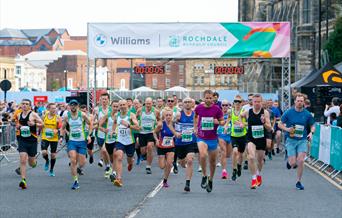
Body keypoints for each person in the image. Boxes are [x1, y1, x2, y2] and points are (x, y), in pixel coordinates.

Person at [278, 93, 315, 190]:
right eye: (298, 101)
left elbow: (312, 125)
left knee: (301, 160)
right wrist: (287, 129)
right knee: (293, 163)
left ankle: (298, 181)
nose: (299, 103)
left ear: (304, 102)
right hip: (290, 140)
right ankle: (289, 162)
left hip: (302, 140)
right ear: (295, 102)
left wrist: (311, 133)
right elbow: (280, 124)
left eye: (301, 101)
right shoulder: (288, 112)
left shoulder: (307, 114)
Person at [194, 90, 224, 193]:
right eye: (206, 98)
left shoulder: (217, 109)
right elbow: (195, 116)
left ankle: (210, 179)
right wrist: (195, 128)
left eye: (210, 98)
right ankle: (204, 175)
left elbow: (222, 122)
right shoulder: (199, 108)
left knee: (212, 162)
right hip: (201, 137)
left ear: (213, 98)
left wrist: (218, 122)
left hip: (212, 138)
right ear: (203, 98)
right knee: (202, 155)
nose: (209, 100)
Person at [240, 94, 272, 189]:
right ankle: (254, 178)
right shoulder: (248, 112)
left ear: (261, 102)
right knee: (251, 157)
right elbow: (240, 116)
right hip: (251, 138)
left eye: (259, 102)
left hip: (261, 138)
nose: (257, 103)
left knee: (260, 160)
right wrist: (242, 123)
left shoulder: (265, 113)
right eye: (255, 102)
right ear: (252, 102)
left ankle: (258, 174)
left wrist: (264, 123)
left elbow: (269, 128)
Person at [61, 99, 91, 190]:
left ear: (77, 106)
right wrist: (61, 137)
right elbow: (63, 127)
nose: (73, 107)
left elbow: (90, 124)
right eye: (71, 105)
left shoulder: (82, 115)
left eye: (75, 105)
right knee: (73, 160)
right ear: (69, 106)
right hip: (72, 141)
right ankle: (75, 181)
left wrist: (88, 135)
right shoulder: (67, 116)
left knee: (82, 163)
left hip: (82, 141)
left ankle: (79, 168)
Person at [111, 100, 139, 187]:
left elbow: (138, 127)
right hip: (120, 140)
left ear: (127, 105)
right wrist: (112, 131)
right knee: (118, 156)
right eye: (121, 105)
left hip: (130, 141)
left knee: (129, 159)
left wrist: (128, 125)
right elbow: (115, 123)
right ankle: (119, 179)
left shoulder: (131, 115)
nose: (122, 106)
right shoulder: (117, 115)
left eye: (124, 104)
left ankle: (130, 163)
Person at [17, 99, 43, 189]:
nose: (24, 105)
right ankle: (23, 180)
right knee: (23, 160)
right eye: (23, 103)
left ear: (30, 106)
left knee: (31, 162)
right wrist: (17, 126)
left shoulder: (33, 114)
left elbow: (42, 124)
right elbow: (15, 123)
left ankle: (34, 162)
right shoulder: (18, 114)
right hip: (22, 140)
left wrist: (34, 124)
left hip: (32, 140)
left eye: (26, 104)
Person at [174, 97, 198, 192]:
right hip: (180, 143)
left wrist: (197, 130)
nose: (187, 104)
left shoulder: (195, 115)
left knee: (190, 160)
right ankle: (180, 162)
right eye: (185, 102)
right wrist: (176, 133)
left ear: (192, 104)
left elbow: (198, 125)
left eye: (189, 102)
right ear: (182, 104)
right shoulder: (179, 114)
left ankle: (187, 183)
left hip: (191, 141)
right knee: (182, 163)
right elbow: (171, 124)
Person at [136, 97, 162, 174]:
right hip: (142, 133)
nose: (148, 105)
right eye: (147, 103)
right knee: (143, 151)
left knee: (150, 146)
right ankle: (145, 155)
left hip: (151, 132)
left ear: (152, 103)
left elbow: (159, 119)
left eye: (149, 103)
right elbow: (134, 118)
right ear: (145, 103)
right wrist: (137, 124)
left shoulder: (156, 111)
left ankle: (148, 166)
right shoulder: (140, 110)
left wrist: (159, 124)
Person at [155, 108, 178, 188]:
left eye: (170, 115)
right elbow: (154, 132)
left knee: (169, 163)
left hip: (171, 147)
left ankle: (165, 180)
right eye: (166, 115)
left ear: (172, 116)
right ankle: (164, 159)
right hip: (161, 147)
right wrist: (156, 140)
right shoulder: (161, 124)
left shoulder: (175, 125)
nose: (168, 117)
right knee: (162, 166)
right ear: (164, 116)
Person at [99, 100, 119, 180]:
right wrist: (104, 130)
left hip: (118, 139)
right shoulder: (107, 115)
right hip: (108, 139)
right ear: (111, 107)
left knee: (115, 155)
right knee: (106, 153)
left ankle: (114, 173)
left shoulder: (121, 116)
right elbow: (99, 126)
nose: (115, 108)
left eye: (117, 106)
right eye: (114, 106)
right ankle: (109, 166)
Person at [93, 93, 112, 178]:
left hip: (109, 133)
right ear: (100, 100)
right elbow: (94, 121)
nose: (104, 101)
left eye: (105, 99)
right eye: (102, 99)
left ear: (108, 100)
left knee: (104, 150)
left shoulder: (112, 110)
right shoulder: (97, 110)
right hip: (100, 134)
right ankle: (108, 165)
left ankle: (109, 167)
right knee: (104, 152)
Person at [41, 103, 62, 177]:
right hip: (45, 137)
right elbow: (40, 124)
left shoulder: (57, 118)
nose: (54, 109)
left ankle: (51, 169)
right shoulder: (44, 116)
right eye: (52, 108)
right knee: (44, 152)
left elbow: (60, 127)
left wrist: (57, 130)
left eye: (55, 108)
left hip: (54, 138)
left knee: (53, 155)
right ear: (49, 109)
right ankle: (47, 160)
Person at [230, 95, 247, 181]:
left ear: (241, 103)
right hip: (234, 136)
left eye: (239, 102)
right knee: (235, 152)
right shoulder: (231, 111)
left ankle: (239, 166)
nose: (237, 103)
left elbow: (249, 123)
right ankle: (234, 170)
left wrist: (243, 124)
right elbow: (227, 121)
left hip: (242, 136)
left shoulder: (244, 112)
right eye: (235, 101)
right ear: (233, 103)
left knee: (240, 154)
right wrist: (226, 127)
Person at [216, 99, 232, 179]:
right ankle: (224, 171)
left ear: (229, 105)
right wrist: (221, 122)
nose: (225, 107)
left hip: (230, 135)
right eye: (223, 105)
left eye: (226, 105)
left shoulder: (232, 113)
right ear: (221, 106)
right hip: (221, 135)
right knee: (223, 151)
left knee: (228, 155)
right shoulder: (219, 113)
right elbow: (214, 121)